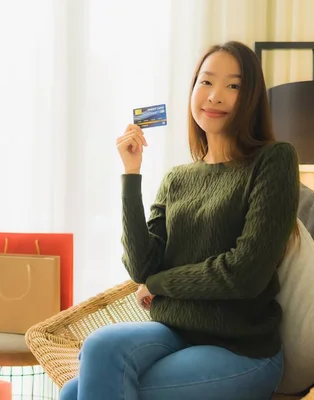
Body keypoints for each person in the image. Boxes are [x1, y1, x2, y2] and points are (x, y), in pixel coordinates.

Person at [60, 41, 300, 400]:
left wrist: (160, 283)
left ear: (250, 98)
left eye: (233, 86)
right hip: (175, 332)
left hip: (241, 348)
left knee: (78, 392)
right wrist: (131, 174)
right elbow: (142, 267)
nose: (215, 96)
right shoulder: (177, 178)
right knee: (98, 349)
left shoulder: (274, 161)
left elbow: (245, 274)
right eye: (206, 82)